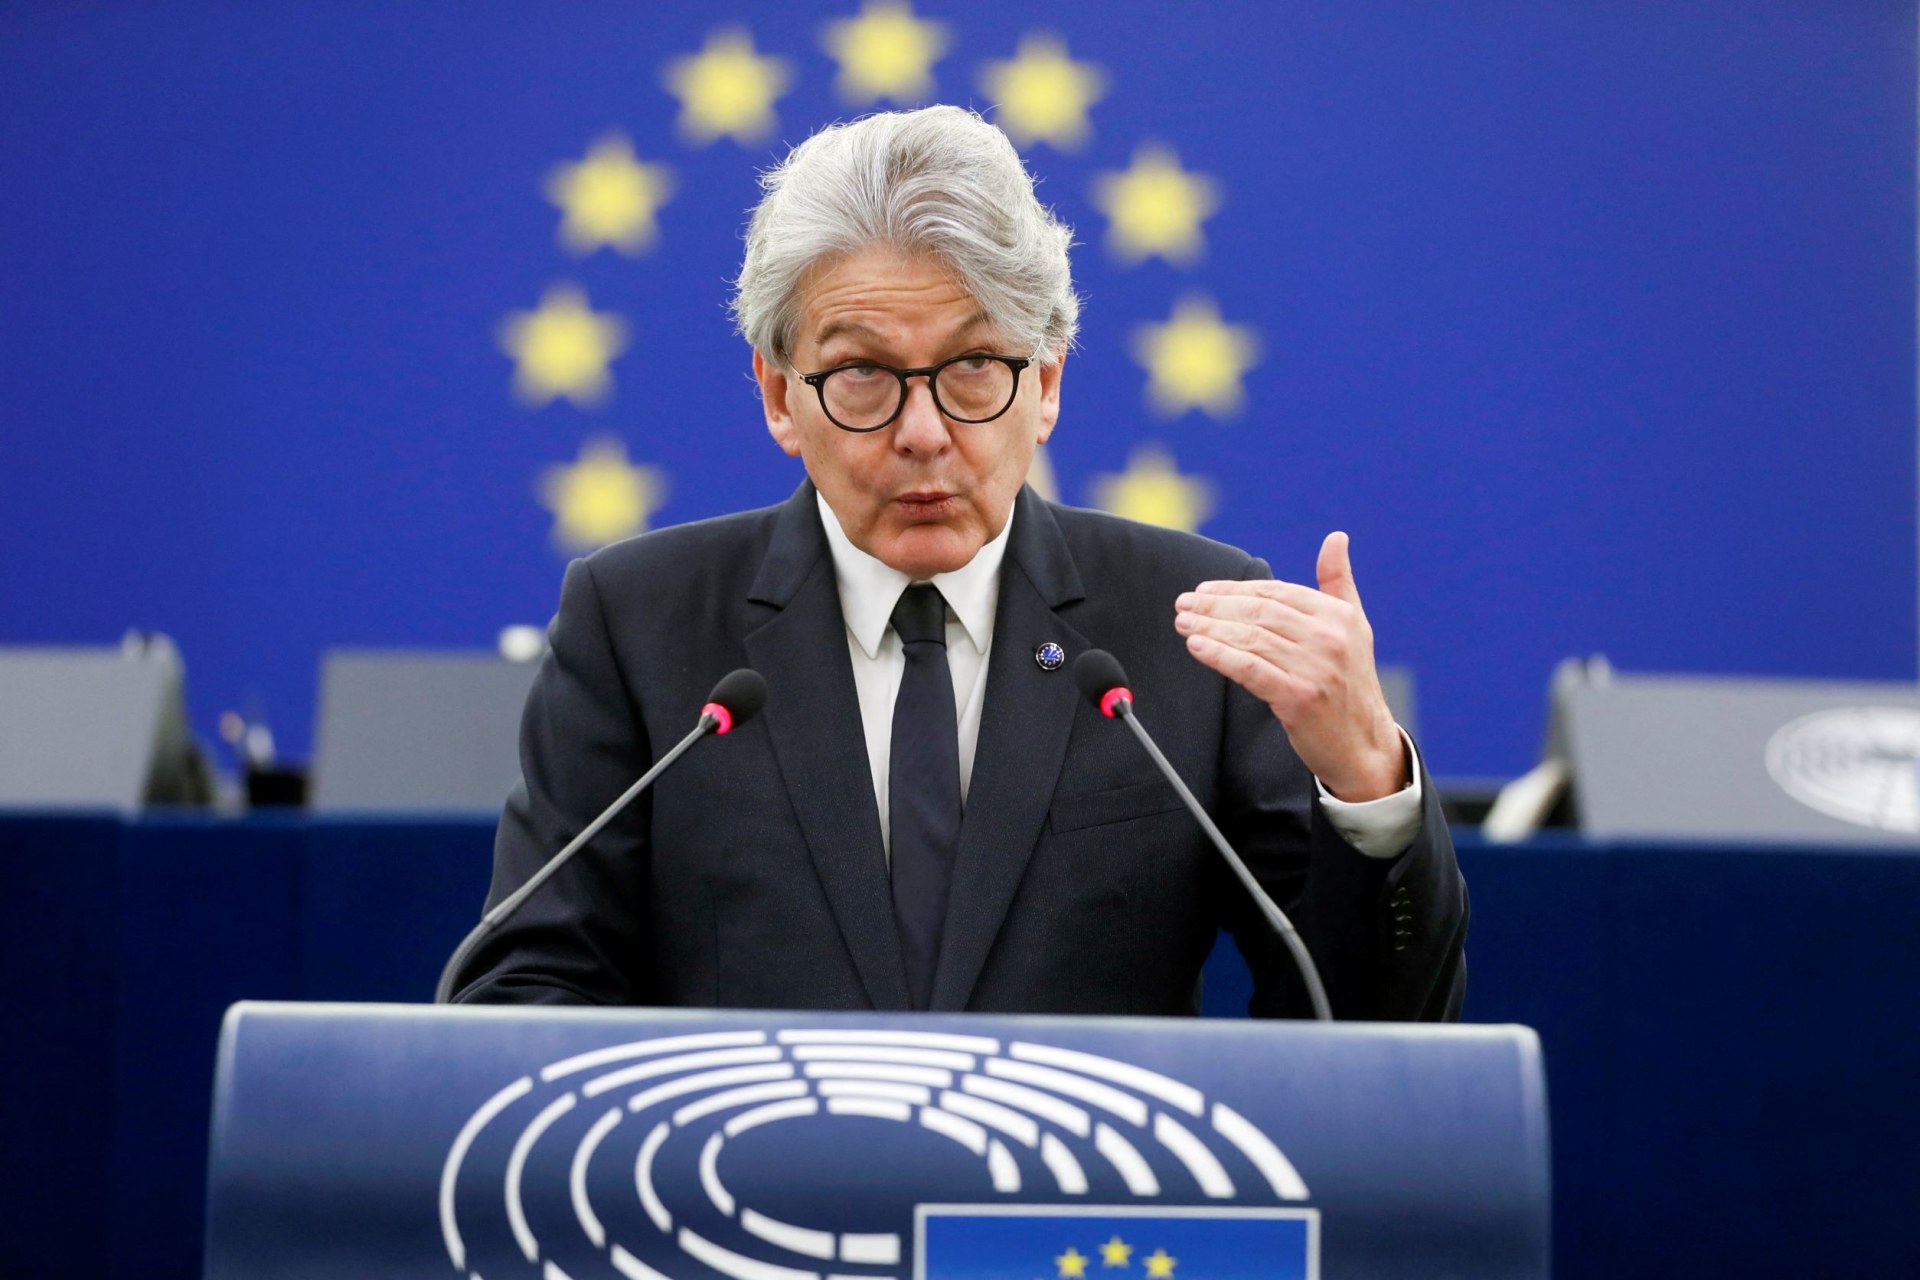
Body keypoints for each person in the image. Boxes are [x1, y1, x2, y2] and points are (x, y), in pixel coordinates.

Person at [448, 106, 1466, 1019]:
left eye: (975, 366)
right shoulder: (637, 623)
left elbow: (1359, 1038)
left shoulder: (1189, 625)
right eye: (861, 372)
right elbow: (525, 992)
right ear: (778, 395)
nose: (925, 433)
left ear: (1047, 383)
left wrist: (1366, 781)